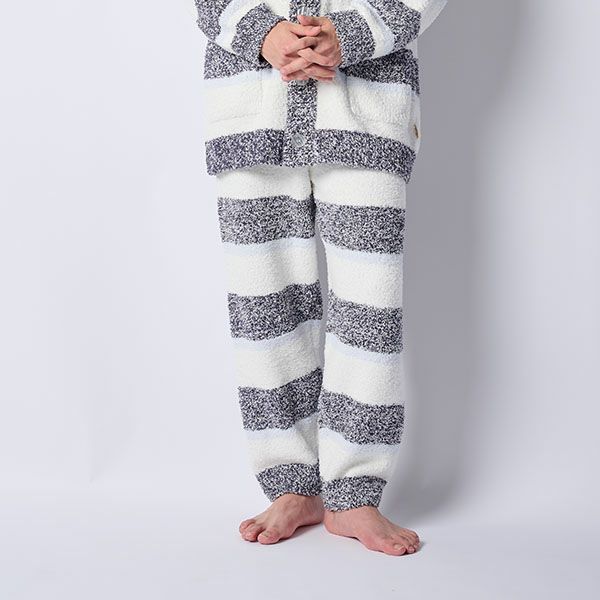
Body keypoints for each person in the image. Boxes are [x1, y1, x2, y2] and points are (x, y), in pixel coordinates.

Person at [194, 0, 447, 556]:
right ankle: (293, 485)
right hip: (252, 112)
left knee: (368, 311)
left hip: (367, 110)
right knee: (265, 310)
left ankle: (354, 491)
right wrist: (261, 33)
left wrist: (350, 34)